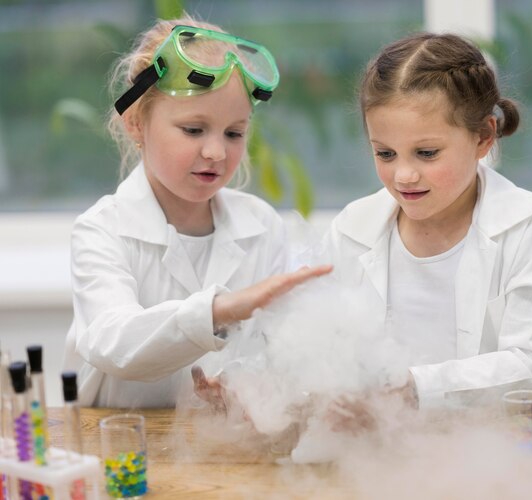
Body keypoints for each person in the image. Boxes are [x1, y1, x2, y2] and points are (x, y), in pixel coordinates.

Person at [62, 15, 331, 408]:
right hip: (119, 443)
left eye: (234, 133)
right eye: (193, 130)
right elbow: (113, 342)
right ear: (137, 123)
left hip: (213, 448)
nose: (216, 153)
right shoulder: (102, 230)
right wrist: (217, 312)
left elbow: (273, 353)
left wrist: (247, 387)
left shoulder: (262, 227)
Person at [321, 31, 532, 422]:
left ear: (484, 137)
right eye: (385, 153)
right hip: (381, 452)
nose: (403, 175)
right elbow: (320, 348)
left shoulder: (530, 224)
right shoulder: (351, 230)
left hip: (503, 453)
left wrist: (415, 388)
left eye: (426, 153)